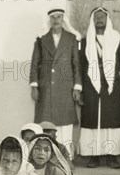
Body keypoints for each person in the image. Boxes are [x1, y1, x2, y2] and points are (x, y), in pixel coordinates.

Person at [78, 7, 120, 169]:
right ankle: (94, 156)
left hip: (112, 86)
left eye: (102, 17)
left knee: (111, 121)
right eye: (96, 17)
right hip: (90, 87)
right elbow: (80, 66)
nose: (99, 19)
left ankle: (111, 157)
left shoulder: (116, 38)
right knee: (92, 120)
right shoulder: (85, 41)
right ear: (92, 20)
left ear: (107, 19)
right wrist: (79, 89)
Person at [29, 8, 82, 153]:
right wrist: (34, 85)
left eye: (59, 17)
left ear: (63, 20)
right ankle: (46, 153)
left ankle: (66, 156)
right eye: (53, 18)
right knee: (46, 122)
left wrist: (77, 87)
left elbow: (76, 64)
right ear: (49, 21)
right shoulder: (41, 40)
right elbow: (35, 63)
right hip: (46, 87)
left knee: (65, 122)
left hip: (65, 87)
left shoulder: (71, 39)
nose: (56, 20)